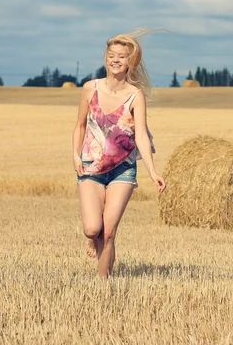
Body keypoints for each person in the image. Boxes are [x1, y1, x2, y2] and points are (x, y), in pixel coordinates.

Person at [72, 29, 166, 279]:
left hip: (123, 169)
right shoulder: (89, 88)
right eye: (112, 55)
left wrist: (153, 171)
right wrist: (75, 155)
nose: (116, 60)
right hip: (91, 166)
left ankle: (104, 285)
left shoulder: (135, 95)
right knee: (93, 228)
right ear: (105, 57)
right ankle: (92, 239)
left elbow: (142, 136)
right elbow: (80, 125)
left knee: (109, 231)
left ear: (130, 62)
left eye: (122, 56)